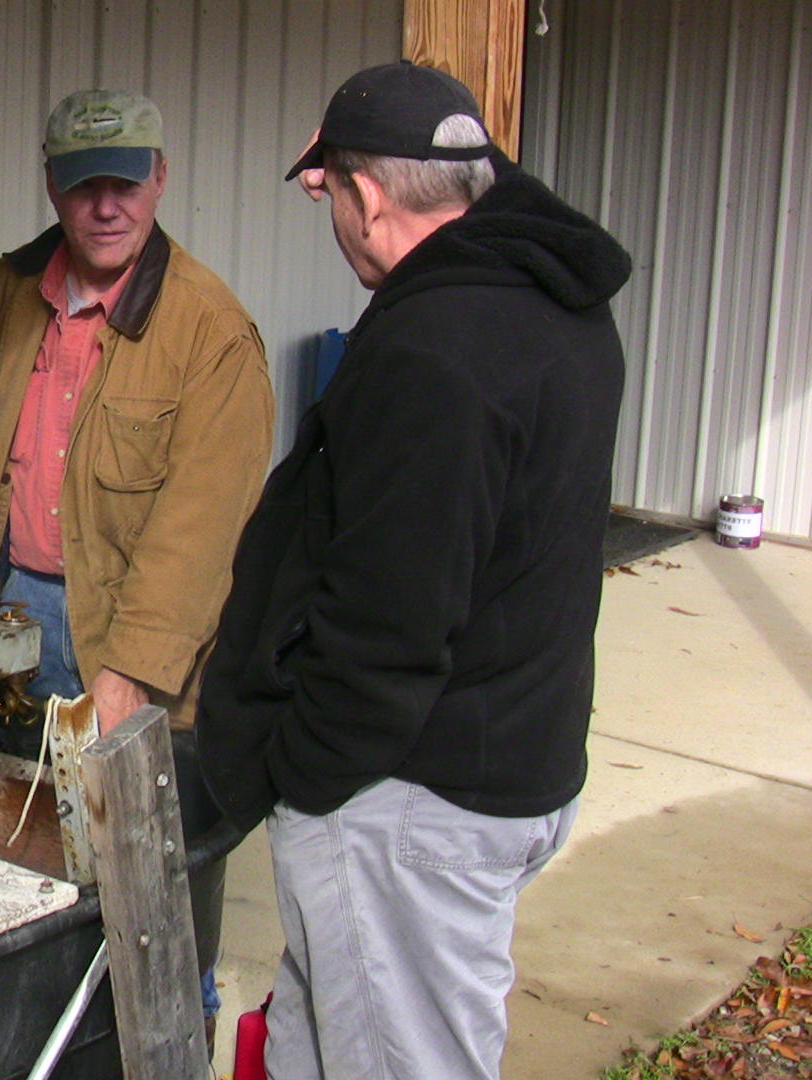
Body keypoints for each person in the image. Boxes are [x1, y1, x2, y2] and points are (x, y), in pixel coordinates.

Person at [196, 62, 631, 1080]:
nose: (332, 216)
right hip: (513, 760)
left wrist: (307, 783)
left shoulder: (435, 351)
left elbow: (387, 624)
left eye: (334, 193)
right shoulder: (560, 307)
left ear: (368, 196)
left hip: (408, 804)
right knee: (312, 1048)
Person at [0, 88, 274, 1041]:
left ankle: (173, 1047)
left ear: (160, 179)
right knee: (15, 859)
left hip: (136, 640)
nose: (106, 206)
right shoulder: (4, 294)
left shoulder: (211, 332)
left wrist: (130, 672)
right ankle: (45, 1040)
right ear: (52, 186)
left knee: (155, 901)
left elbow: (203, 528)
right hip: (8, 620)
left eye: (125, 183)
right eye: (84, 186)